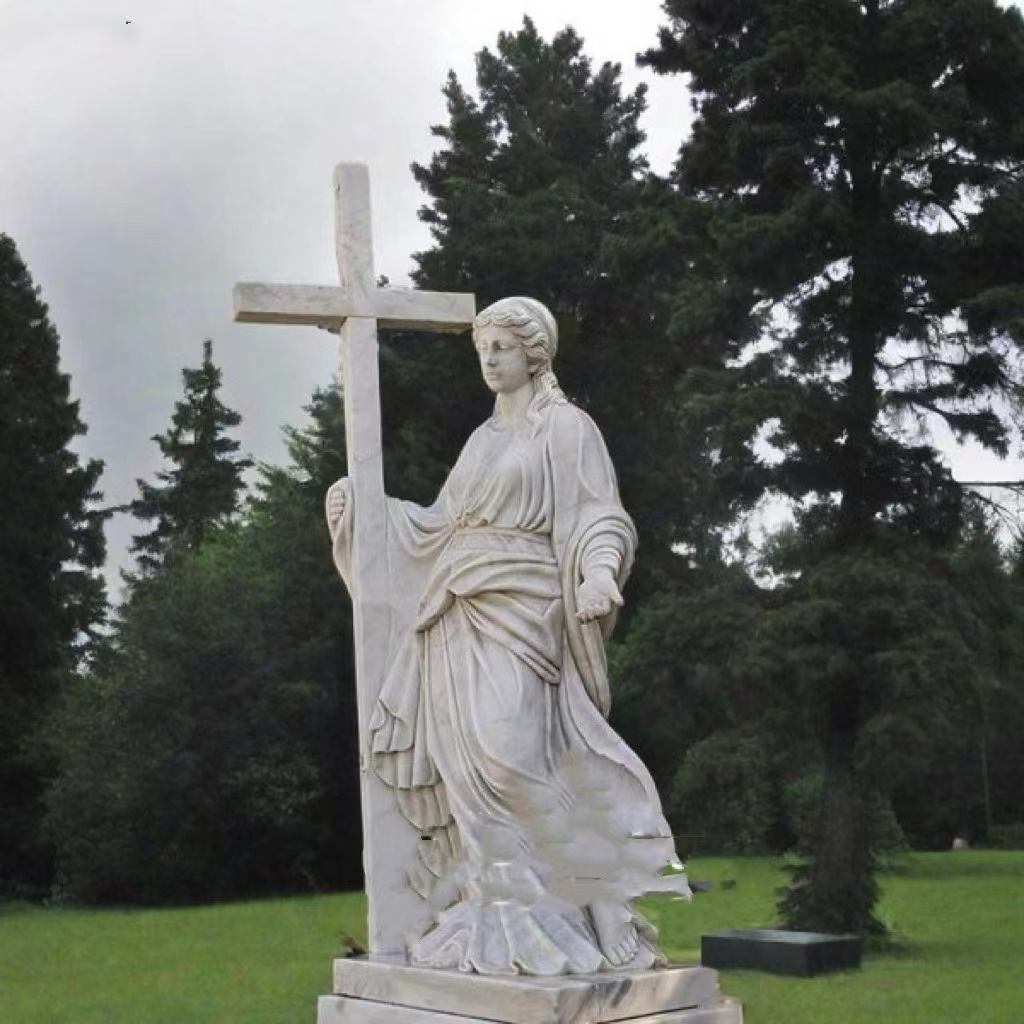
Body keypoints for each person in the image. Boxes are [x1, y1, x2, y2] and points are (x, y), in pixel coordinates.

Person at [326, 296, 687, 976]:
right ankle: (504, 913)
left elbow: (598, 515)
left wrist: (598, 575)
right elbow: (439, 527)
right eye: (481, 349)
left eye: (501, 347)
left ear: (534, 353)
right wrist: (367, 515)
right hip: (454, 610)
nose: (489, 359)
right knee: (468, 767)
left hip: (524, 608)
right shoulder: (483, 440)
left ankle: (597, 896)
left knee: (511, 755)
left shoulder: (566, 428)